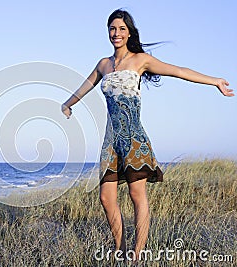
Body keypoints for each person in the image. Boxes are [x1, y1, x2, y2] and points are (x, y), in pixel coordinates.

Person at [61, 8, 234, 263]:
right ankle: (119, 250)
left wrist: (215, 81)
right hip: (111, 139)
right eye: (112, 28)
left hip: (134, 137)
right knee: (106, 198)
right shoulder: (103, 64)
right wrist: (68, 104)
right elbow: (86, 86)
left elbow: (180, 71)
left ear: (129, 32)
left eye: (121, 28)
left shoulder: (140, 60)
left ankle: (136, 254)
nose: (116, 33)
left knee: (136, 195)